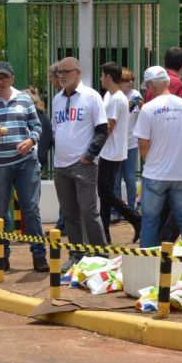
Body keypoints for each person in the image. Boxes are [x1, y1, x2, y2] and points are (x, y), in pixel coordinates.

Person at [0, 61, 48, 272]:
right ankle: (2, 256)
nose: (1, 81)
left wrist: (31, 140)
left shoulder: (24, 98)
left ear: (12, 79)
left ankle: (39, 255)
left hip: (26, 162)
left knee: (31, 209)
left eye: (5, 77)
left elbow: (37, 126)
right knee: (0, 212)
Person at [52, 57, 108, 271]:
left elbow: (102, 130)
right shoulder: (57, 99)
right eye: (59, 72)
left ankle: (101, 256)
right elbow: (56, 130)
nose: (62, 76)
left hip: (83, 164)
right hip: (61, 165)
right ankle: (76, 255)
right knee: (69, 213)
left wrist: (89, 156)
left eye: (66, 72)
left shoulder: (91, 96)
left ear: (78, 72)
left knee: (88, 211)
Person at [135, 66, 182, 248]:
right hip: (181, 173)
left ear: (150, 85)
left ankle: (148, 261)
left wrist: (151, 162)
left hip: (156, 174)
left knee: (150, 221)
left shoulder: (148, 109)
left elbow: (143, 143)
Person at [97, 61, 143, 244]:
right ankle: (104, 233)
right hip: (111, 151)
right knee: (105, 192)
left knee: (105, 191)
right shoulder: (112, 96)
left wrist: (94, 148)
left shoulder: (116, 98)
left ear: (108, 77)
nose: (100, 78)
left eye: (102, 75)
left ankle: (135, 218)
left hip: (110, 151)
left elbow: (109, 127)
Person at [111, 68, 141, 224]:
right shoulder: (114, 96)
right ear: (119, 82)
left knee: (130, 178)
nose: (130, 83)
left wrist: (142, 104)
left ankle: (132, 210)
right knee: (115, 180)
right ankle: (116, 211)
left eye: (131, 81)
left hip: (131, 143)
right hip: (117, 144)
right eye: (126, 80)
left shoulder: (136, 94)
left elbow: (144, 113)